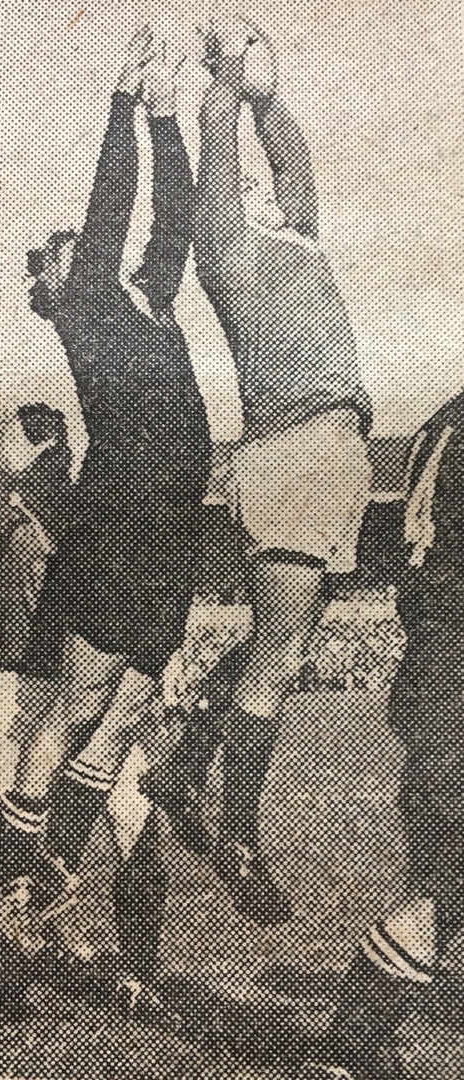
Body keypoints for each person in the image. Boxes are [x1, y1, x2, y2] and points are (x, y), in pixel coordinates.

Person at [0, 29, 211, 969]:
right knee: (76, 706)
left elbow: (176, 220)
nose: (83, 245)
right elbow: (113, 205)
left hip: (169, 525)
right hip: (117, 516)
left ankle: (35, 884)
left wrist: (166, 116)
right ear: (56, 284)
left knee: (119, 710)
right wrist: (124, 103)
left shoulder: (145, 299)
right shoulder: (85, 309)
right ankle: (5, 883)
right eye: (67, 249)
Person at [190, 19, 373, 924]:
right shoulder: (227, 248)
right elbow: (220, 147)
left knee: (283, 651)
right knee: (278, 654)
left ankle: (190, 762)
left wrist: (271, 90)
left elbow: (288, 153)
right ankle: (230, 828)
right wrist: (225, 79)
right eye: (250, 185)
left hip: (333, 452)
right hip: (294, 452)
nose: (266, 184)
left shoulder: (295, 236)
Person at [299, 390, 464, 1078]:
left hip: (433, 670)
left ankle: (355, 1051)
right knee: (441, 891)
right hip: (454, 671)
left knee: (443, 889)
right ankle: (348, 1052)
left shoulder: (442, 420)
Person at [0, 404, 73, 830]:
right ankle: (136, 866)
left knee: (5, 767)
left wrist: (4, 477)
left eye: (9, 438)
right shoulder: (63, 495)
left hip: (26, 658)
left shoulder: (24, 498)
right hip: (56, 656)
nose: (1, 446)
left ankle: (4, 870)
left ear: (43, 443)